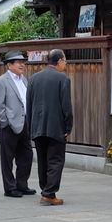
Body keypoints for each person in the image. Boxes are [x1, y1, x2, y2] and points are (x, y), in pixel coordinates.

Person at [27, 49, 72, 206]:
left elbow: (29, 105)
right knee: (56, 160)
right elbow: (66, 106)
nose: (65, 64)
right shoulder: (62, 79)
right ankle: (49, 193)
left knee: (42, 160)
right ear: (59, 60)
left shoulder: (33, 78)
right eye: (65, 61)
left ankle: (45, 190)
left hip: (37, 127)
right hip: (56, 127)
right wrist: (68, 126)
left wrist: (30, 127)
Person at [0, 51, 35, 198]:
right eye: (18, 62)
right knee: (7, 158)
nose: (22, 65)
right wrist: (5, 122)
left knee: (27, 155)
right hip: (9, 125)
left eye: (23, 62)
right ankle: (10, 188)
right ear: (9, 65)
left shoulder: (24, 80)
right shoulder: (1, 81)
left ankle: (22, 184)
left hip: (25, 123)